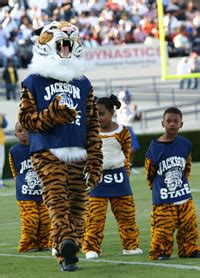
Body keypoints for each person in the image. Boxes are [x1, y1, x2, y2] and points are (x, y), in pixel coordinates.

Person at [18, 21, 103, 272]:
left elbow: (92, 122)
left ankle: (69, 246)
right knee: (57, 202)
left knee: (78, 205)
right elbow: (25, 120)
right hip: (47, 150)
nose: (66, 34)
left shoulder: (83, 82)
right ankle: (66, 246)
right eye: (57, 31)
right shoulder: (33, 81)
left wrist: (96, 158)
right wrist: (52, 115)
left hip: (79, 150)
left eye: (70, 36)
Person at [82, 95, 143, 259]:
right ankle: (91, 248)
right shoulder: (89, 133)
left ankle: (130, 246)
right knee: (95, 216)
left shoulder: (123, 132)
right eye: (94, 114)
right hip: (97, 179)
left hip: (119, 177)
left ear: (111, 113)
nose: (97, 118)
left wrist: (126, 173)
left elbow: (127, 154)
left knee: (126, 215)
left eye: (101, 114)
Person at [145, 107, 200, 260]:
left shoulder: (186, 144)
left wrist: (182, 185)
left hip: (183, 195)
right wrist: (157, 189)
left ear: (181, 124)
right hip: (163, 198)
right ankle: (161, 251)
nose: (172, 124)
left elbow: (186, 168)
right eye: (169, 121)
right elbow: (150, 173)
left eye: (176, 121)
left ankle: (189, 249)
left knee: (189, 225)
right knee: (163, 227)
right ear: (163, 123)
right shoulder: (155, 147)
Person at [9, 123, 51, 253]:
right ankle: (27, 245)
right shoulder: (14, 151)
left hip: (43, 193)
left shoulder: (41, 148)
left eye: (26, 130)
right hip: (25, 194)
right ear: (15, 134)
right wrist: (22, 184)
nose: (23, 133)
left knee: (45, 221)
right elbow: (14, 172)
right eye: (20, 131)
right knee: (31, 220)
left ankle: (43, 243)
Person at [116, 90, 141, 174]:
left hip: (127, 127)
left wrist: (137, 115)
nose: (130, 98)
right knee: (135, 147)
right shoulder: (123, 107)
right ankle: (123, 163)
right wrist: (134, 111)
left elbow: (132, 119)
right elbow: (127, 119)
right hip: (125, 128)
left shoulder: (124, 106)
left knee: (132, 148)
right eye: (128, 97)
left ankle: (129, 166)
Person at [0, 113, 8, 188]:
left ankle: (0, 181)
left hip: (1, 142)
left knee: (1, 163)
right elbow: (5, 124)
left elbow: (5, 125)